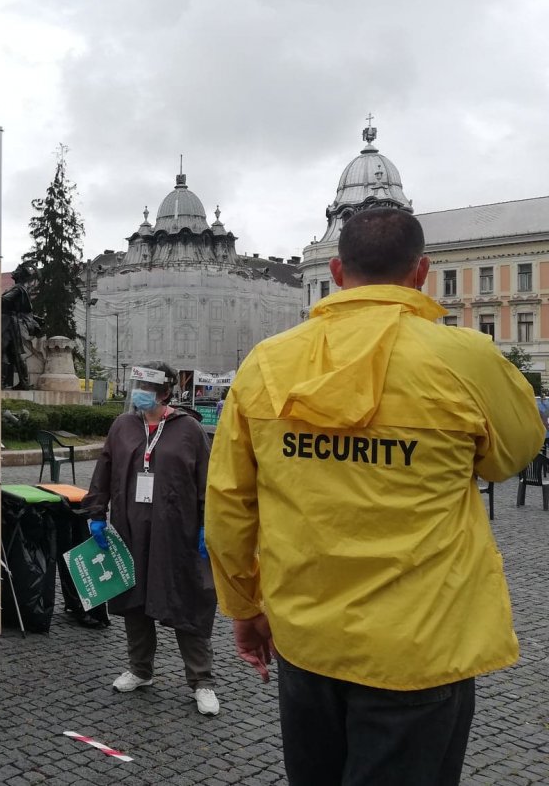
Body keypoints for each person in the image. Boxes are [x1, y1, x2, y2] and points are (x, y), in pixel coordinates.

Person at [205, 208, 544, 786]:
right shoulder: (468, 359)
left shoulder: (267, 363)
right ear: (422, 273)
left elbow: (228, 504)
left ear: (337, 272)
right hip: (421, 643)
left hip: (306, 638)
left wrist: (243, 607)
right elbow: (510, 457)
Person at [83, 361, 219, 716]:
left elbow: (207, 480)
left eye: (146, 388)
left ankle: (201, 680)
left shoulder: (189, 430)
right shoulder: (123, 426)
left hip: (178, 533)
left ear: (165, 393)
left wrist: (208, 523)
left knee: (186, 599)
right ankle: (140, 669)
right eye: (137, 386)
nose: (139, 393)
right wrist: (96, 513)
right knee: (135, 598)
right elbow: (104, 469)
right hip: (131, 528)